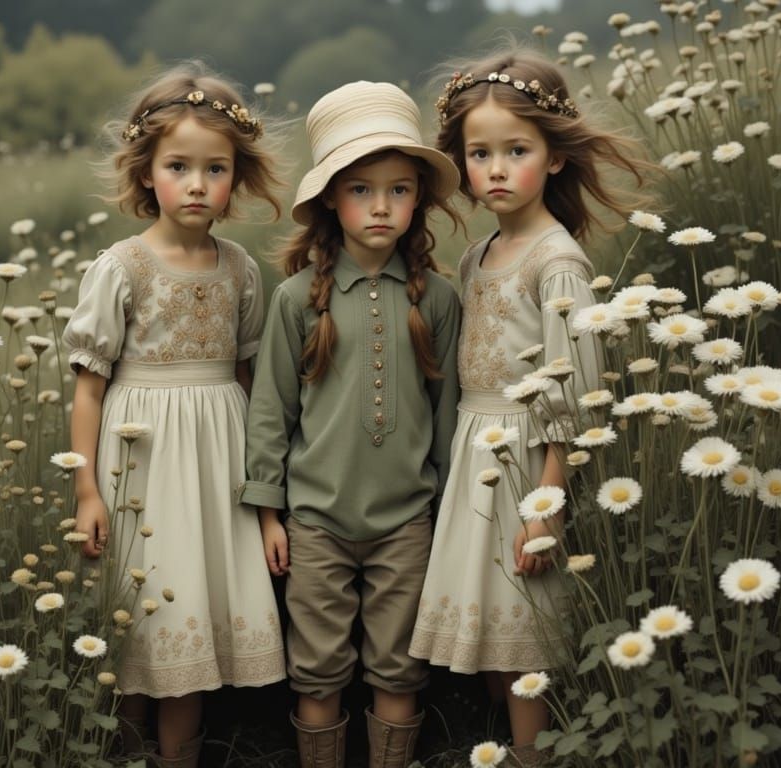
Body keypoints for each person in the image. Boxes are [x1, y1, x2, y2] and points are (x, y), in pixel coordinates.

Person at [408, 47, 651, 766]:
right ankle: (503, 745)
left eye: (516, 150)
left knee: (523, 628)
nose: (495, 168)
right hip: (474, 449)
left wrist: (548, 495)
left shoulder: (557, 260)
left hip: (525, 458)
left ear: (553, 157)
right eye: (479, 153)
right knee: (485, 630)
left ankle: (532, 754)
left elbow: (573, 388)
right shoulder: (480, 254)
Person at [62, 62, 286, 768]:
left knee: (194, 612)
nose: (197, 184)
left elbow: (251, 383)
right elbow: (89, 387)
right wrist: (88, 490)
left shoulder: (239, 269)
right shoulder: (122, 267)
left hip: (218, 464)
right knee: (142, 620)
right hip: (143, 467)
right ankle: (128, 750)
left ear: (236, 177)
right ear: (145, 172)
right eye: (178, 166)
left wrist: (266, 501)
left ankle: (180, 755)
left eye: (215, 168)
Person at [241, 81, 462, 768]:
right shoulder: (292, 300)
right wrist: (269, 514)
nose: (381, 206)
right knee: (318, 670)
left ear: (417, 199)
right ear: (331, 198)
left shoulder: (440, 299)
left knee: (398, 669)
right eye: (362, 189)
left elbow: (448, 412)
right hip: (314, 521)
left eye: (399, 190)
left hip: (408, 521)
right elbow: (271, 411)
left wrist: (451, 508)